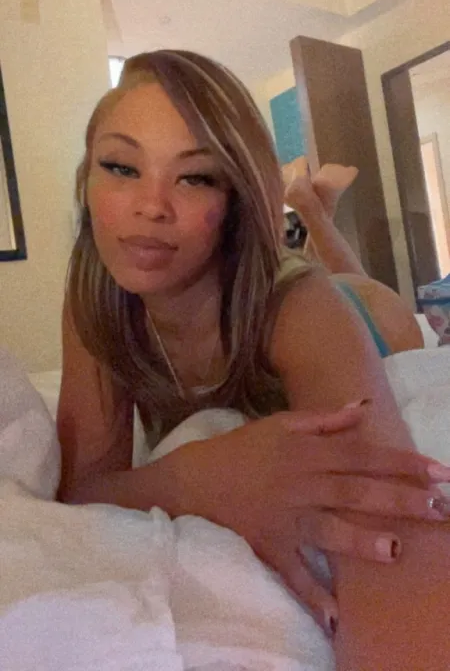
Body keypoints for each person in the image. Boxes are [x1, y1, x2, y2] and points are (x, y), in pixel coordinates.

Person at [57, 50, 450, 670]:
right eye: (120, 166)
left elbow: (391, 531)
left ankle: (314, 210)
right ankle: (314, 207)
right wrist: (199, 477)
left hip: (367, 317)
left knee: (360, 292)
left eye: (194, 177)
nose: (151, 206)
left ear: (237, 197)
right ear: (87, 179)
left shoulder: (297, 309)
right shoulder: (96, 297)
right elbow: (83, 489)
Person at [283, 164, 424, 356]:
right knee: (317, 287)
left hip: (356, 323)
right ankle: (316, 211)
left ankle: (316, 211)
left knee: (311, 287)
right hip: (365, 323)